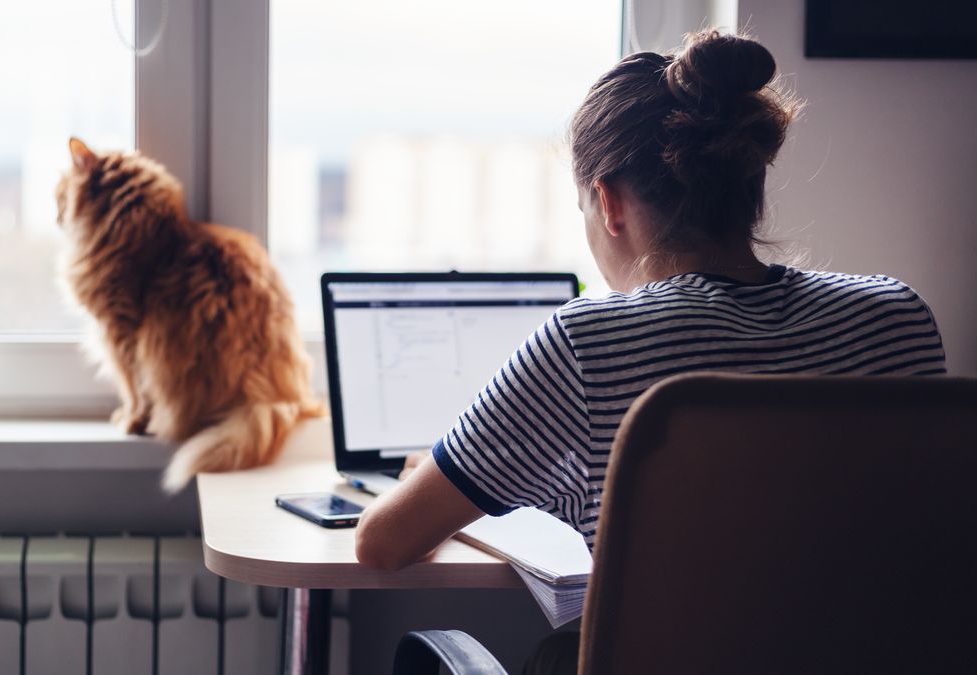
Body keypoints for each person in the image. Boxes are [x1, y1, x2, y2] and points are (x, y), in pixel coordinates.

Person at [354, 29, 947, 672]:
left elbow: (383, 544)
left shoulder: (587, 342)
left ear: (608, 204)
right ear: (750, 183)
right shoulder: (896, 317)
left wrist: (433, 480)